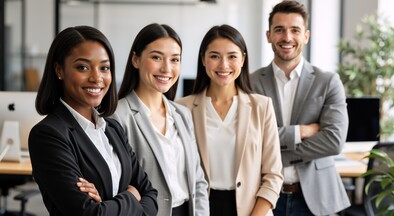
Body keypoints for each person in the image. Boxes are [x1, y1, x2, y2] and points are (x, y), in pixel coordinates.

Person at [28, 25, 158, 216]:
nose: (97, 78)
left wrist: (106, 204)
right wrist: (131, 196)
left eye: (104, 68)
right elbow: (89, 214)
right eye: (83, 67)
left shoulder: (112, 128)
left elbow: (151, 196)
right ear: (59, 70)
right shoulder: (49, 135)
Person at [250, 0, 351, 215]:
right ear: (268, 36)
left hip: (315, 199)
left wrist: (274, 155)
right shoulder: (250, 83)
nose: (287, 38)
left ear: (306, 35)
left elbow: (333, 142)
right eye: (279, 30)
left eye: (295, 30)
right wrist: (301, 131)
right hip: (263, 196)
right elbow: (249, 139)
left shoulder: (328, 82)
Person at [177, 24, 283, 216]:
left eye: (232, 56)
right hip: (201, 208)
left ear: (243, 59)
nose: (223, 65)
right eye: (214, 56)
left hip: (251, 209)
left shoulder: (262, 106)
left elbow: (273, 175)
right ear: (203, 59)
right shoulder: (182, 108)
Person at [110, 23, 209, 216]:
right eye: (156, 57)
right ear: (136, 60)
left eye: (175, 60)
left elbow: (198, 180)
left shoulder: (182, 114)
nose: (166, 68)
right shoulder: (118, 116)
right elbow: (117, 186)